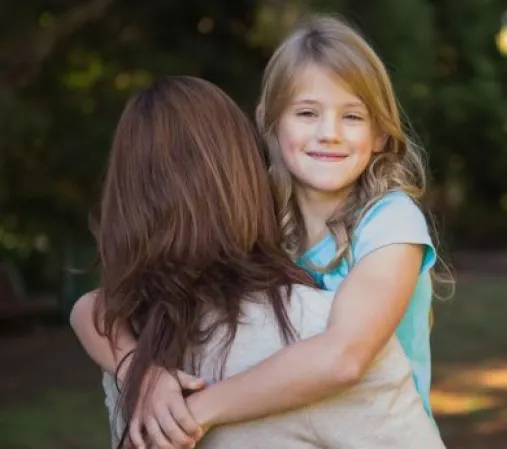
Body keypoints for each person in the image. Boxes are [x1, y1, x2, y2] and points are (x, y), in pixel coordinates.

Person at [71, 15, 450, 448]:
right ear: (269, 122)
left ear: (381, 134)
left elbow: (345, 356)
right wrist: (142, 373)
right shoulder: (263, 217)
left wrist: (194, 411)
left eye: (352, 116)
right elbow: (89, 308)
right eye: (308, 113)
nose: (329, 133)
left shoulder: (391, 221)